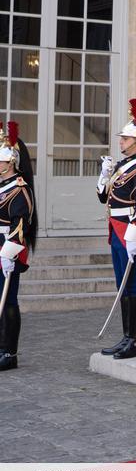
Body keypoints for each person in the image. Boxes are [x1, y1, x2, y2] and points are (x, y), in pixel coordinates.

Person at [97, 99, 136, 359]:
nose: (121, 142)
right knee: (122, 286)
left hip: (131, 232)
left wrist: (134, 236)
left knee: (132, 285)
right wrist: (104, 174)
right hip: (116, 229)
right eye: (122, 138)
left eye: (125, 139)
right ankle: (126, 337)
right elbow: (104, 197)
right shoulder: (123, 167)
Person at [0, 122, 36, 371]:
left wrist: (9, 253)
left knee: (8, 299)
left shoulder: (20, 190)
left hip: (7, 247)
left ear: (10, 162)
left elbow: (20, 226)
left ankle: (9, 352)